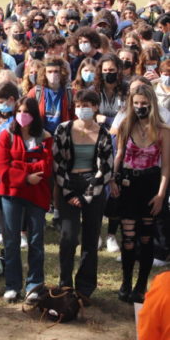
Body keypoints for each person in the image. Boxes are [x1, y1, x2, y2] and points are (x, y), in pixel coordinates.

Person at [51, 89, 113, 300]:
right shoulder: (63, 129)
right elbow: (57, 163)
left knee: (90, 239)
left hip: (93, 187)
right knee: (68, 237)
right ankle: (65, 285)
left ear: (95, 107)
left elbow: (106, 168)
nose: (82, 109)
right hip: (68, 183)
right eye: (78, 105)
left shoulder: (104, 133)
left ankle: (85, 288)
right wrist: (68, 193)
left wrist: (87, 195)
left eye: (87, 105)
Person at [0, 92, 53, 304]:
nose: (22, 115)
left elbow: (45, 166)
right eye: (19, 111)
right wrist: (26, 175)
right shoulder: (6, 136)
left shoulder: (44, 137)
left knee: (36, 240)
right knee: (11, 240)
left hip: (36, 195)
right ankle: (12, 285)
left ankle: (34, 285)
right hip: (11, 193)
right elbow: (0, 165)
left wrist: (18, 166)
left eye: (26, 111)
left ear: (34, 114)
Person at [111, 84, 170, 303]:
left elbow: (166, 166)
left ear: (152, 105)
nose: (139, 108)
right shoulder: (126, 125)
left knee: (146, 238)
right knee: (128, 237)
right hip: (128, 184)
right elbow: (119, 154)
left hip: (151, 184)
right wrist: (113, 179)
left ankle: (140, 284)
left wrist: (162, 194)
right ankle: (126, 282)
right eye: (136, 104)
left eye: (144, 104)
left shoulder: (163, 131)